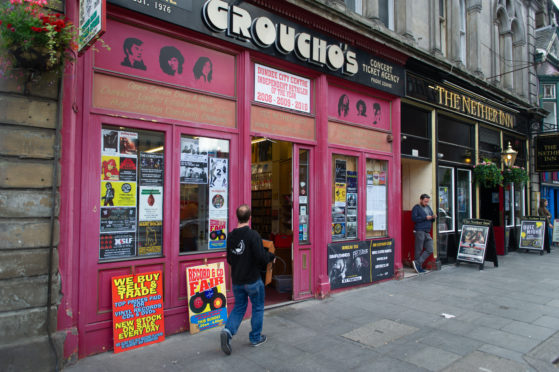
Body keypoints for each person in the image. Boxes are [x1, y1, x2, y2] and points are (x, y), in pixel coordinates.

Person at [221, 205, 276, 355]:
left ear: (236, 217)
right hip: (252, 279)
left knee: (239, 307)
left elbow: (230, 259)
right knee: (258, 307)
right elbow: (261, 258)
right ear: (250, 218)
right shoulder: (253, 235)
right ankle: (255, 337)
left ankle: (228, 331)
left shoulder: (231, 236)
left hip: (237, 280)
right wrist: (271, 257)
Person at [411, 194, 437, 273]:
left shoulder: (428, 208)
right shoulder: (416, 208)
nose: (426, 203)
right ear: (421, 200)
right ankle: (418, 267)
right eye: (425, 201)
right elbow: (414, 218)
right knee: (418, 249)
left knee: (430, 249)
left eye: (427, 201)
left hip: (427, 231)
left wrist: (433, 217)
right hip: (419, 230)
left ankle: (417, 263)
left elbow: (431, 220)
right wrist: (425, 217)